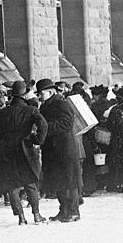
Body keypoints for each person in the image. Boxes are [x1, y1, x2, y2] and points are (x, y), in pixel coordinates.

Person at [0, 81, 48, 225]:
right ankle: (36, 215)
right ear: (24, 95)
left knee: (13, 186)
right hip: (27, 149)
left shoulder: (3, 113)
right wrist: (37, 140)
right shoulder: (31, 110)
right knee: (30, 183)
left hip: (8, 152)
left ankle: (21, 217)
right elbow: (44, 125)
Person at [37, 79, 82, 221]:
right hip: (52, 150)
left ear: (50, 92)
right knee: (58, 181)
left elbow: (66, 124)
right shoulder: (44, 107)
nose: (39, 95)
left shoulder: (62, 104)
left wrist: (46, 128)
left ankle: (73, 211)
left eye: (42, 93)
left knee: (69, 181)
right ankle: (63, 210)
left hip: (65, 149)